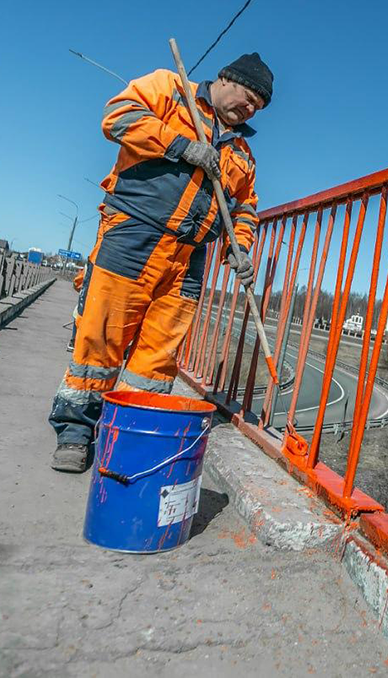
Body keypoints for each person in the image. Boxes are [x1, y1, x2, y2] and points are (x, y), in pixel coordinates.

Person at [48, 53, 274, 473]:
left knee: (156, 358)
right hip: (134, 234)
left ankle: (127, 436)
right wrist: (181, 146)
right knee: (100, 339)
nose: (250, 109)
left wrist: (239, 248)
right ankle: (76, 432)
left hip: (188, 259)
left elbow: (244, 209)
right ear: (226, 79)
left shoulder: (243, 155)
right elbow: (116, 117)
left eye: (258, 107)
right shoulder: (171, 90)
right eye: (248, 97)